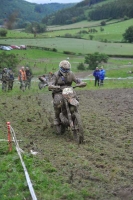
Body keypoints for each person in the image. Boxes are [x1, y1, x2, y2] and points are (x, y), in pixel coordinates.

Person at [48, 60, 86, 125]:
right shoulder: (56, 74)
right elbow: (51, 83)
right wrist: (53, 86)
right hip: (58, 91)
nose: (66, 71)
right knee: (57, 102)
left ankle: (75, 114)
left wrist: (80, 83)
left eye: (67, 69)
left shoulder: (71, 74)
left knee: (76, 99)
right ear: (60, 68)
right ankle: (56, 118)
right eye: (64, 69)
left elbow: (77, 80)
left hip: (69, 91)